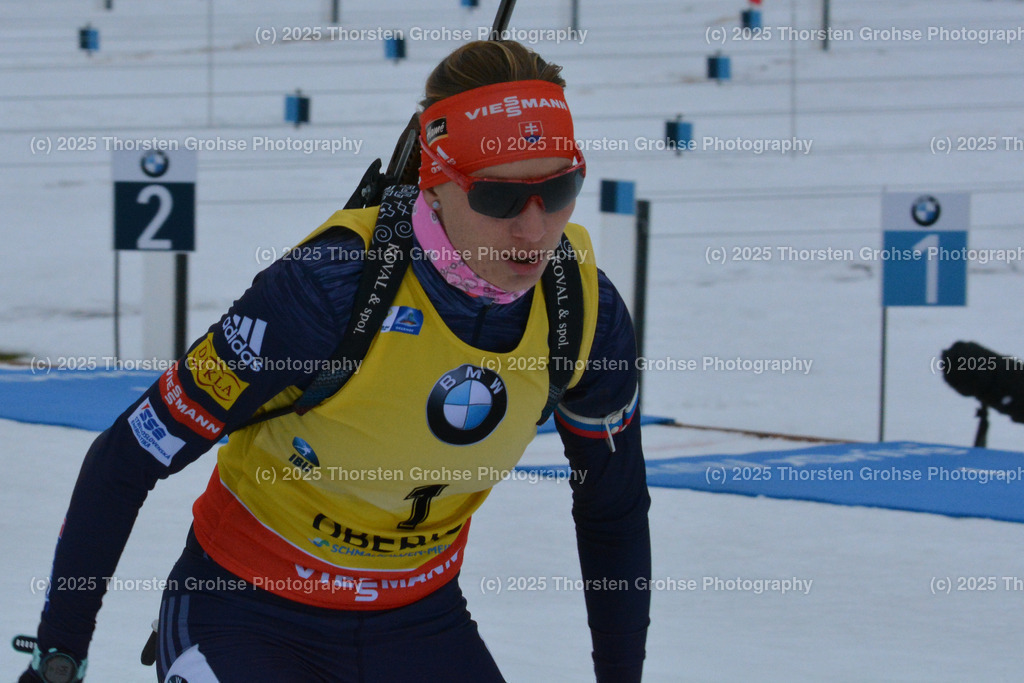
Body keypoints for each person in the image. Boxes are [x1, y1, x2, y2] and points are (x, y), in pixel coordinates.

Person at [21, 40, 651, 683]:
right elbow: (127, 455)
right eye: (498, 198)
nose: (533, 229)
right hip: (248, 614)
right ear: (434, 182)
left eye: (560, 188)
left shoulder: (583, 314)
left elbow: (613, 508)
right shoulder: (331, 288)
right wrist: (60, 656)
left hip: (419, 623)